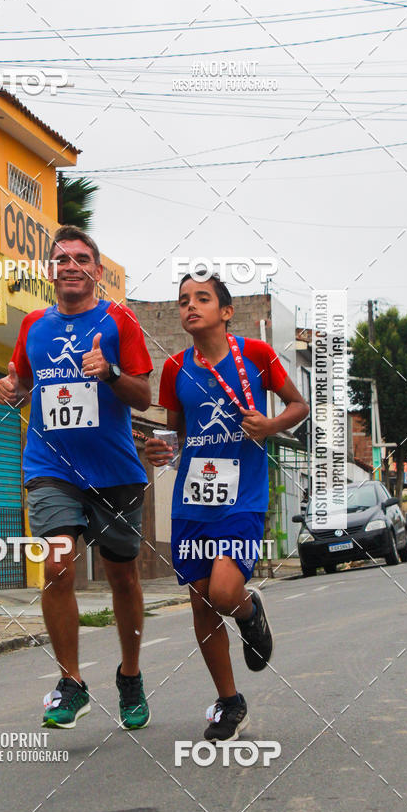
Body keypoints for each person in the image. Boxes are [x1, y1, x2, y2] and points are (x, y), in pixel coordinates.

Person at [0, 225, 153, 730]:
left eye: (81, 258)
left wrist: (108, 373)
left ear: (96, 271)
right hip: (50, 466)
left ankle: (130, 675)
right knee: (57, 568)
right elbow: (21, 379)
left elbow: (143, 397)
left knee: (122, 575)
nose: (70, 266)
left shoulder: (119, 321)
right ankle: (71, 682)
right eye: (61, 259)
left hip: (114, 471)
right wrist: (10, 387)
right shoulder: (35, 327)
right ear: (51, 271)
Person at [145, 274, 309, 742]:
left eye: (202, 299)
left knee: (222, 592)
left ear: (225, 311)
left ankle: (249, 609)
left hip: (243, 495)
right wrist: (160, 450)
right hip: (193, 499)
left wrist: (270, 424)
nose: (190, 307)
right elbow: (173, 434)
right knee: (200, 600)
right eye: (183, 301)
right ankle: (229, 702)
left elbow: (298, 405)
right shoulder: (175, 367)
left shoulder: (256, 356)